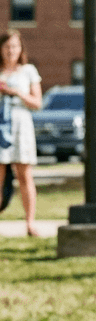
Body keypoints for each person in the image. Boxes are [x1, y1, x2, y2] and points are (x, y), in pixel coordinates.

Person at [0, 31, 43, 237]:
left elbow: (37, 103)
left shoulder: (28, 71)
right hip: (1, 126)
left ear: (21, 49)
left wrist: (17, 92)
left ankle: (30, 223)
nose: (11, 51)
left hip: (21, 126)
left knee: (25, 176)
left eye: (15, 46)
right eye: (7, 47)